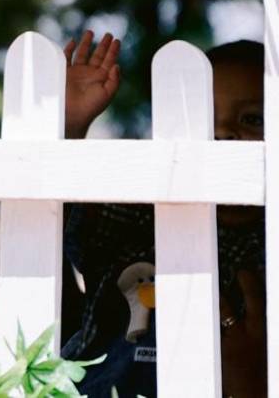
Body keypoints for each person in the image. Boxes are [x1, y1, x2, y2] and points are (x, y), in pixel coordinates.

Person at [62, 32, 266, 398]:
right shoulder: (139, 212)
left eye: (252, 118)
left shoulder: (269, 247)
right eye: (206, 118)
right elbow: (49, 223)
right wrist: (69, 129)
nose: (223, 132)